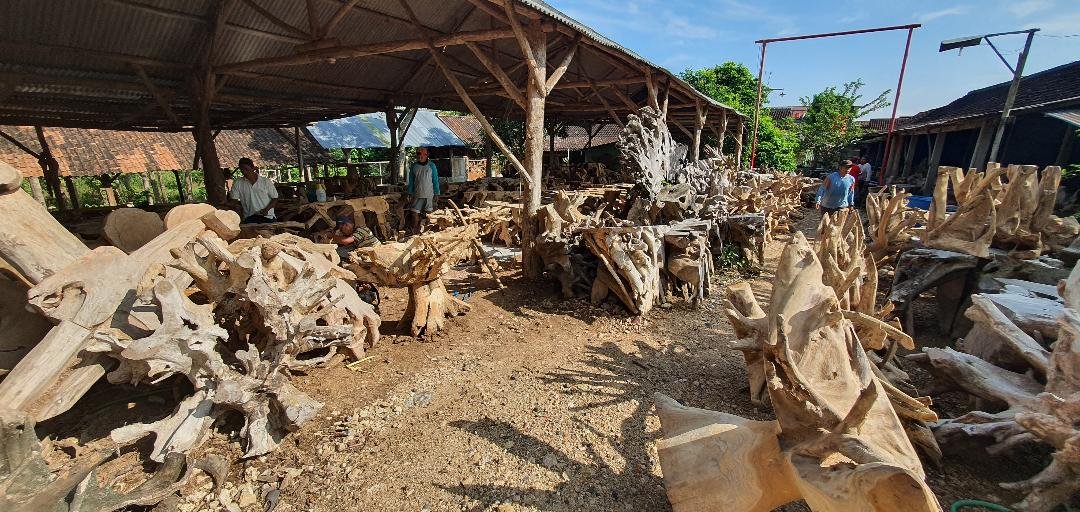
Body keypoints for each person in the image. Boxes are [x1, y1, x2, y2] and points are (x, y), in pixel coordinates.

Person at [227, 157, 279, 223]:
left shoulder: (265, 182)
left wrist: (267, 209)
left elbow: (275, 198)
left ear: (253, 168)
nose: (244, 172)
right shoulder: (238, 183)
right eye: (242, 170)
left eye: (246, 169)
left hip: (268, 217)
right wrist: (225, 205)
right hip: (249, 217)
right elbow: (234, 200)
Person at [405, 147, 440, 235]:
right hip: (417, 194)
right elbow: (411, 181)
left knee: (429, 214)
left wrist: (437, 193)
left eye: (422, 154)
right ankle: (415, 231)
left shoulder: (432, 166)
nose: (420, 156)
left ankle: (430, 232)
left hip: (429, 194)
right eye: (418, 154)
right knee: (414, 212)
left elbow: (435, 180)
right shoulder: (414, 166)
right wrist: (409, 192)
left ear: (427, 155)